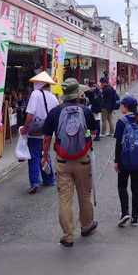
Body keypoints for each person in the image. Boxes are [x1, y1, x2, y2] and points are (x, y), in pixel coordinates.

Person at [41, 78, 98, 248]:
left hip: (63, 160)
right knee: (85, 195)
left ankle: (68, 236)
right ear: (78, 94)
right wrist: (85, 133)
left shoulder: (55, 111)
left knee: (65, 198)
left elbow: (46, 137)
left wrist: (45, 155)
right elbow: (93, 131)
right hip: (82, 159)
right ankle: (86, 227)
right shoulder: (85, 111)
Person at [20, 72, 59, 193]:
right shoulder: (53, 97)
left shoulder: (35, 94)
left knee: (34, 157)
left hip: (36, 131)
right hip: (48, 131)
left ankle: (35, 181)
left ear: (39, 83)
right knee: (45, 154)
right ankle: (49, 179)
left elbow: (30, 113)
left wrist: (25, 127)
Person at [114, 96, 138, 227]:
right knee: (136, 187)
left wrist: (117, 161)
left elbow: (118, 143)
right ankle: (135, 218)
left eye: (121, 105)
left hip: (124, 158)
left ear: (126, 107)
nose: (120, 107)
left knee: (122, 186)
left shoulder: (121, 121)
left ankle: (124, 213)